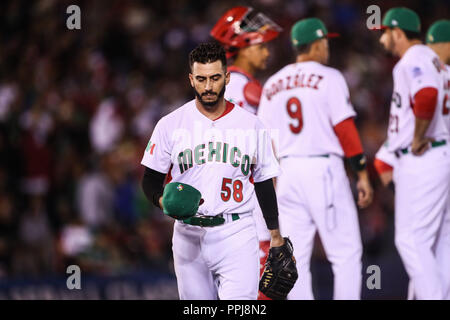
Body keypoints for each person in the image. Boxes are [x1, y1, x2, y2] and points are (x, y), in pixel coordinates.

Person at [140, 42, 288, 300]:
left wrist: (275, 234)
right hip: (187, 234)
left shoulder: (251, 125)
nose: (208, 86)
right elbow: (150, 180)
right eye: (201, 79)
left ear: (227, 77)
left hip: (236, 232)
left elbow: (264, 182)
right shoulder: (170, 124)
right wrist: (163, 200)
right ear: (191, 79)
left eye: (215, 78)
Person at [257, 17, 373, 300]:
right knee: (345, 253)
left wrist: (273, 184)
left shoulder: (272, 83)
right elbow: (345, 130)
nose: (327, 47)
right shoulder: (329, 76)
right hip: (322, 168)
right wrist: (361, 173)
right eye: (325, 42)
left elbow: (263, 142)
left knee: (295, 257)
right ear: (318, 44)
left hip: (286, 173)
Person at [375, 9, 450, 299]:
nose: (383, 38)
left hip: (423, 156)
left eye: (385, 32)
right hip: (438, 155)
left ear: (397, 32)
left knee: (411, 240)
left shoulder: (416, 57)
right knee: (440, 241)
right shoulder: (436, 63)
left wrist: (418, 136)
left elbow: (427, 95)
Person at [210, 6, 282, 290]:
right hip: (248, 193)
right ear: (243, 46)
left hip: (225, 192)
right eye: (261, 46)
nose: (267, 53)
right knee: (269, 274)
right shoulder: (246, 90)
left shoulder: (221, 85)